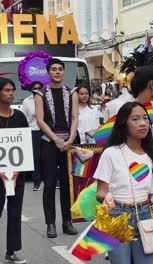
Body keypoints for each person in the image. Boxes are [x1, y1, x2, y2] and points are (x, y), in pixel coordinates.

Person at [95, 101, 153, 264]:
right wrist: (107, 198)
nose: (142, 123)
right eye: (135, 119)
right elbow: (101, 192)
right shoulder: (110, 154)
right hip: (118, 216)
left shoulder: (152, 154)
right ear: (123, 123)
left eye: (145, 119)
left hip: (145, 215)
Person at [33, 58, 79, 238]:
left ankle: (67, 222)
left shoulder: (72, 92)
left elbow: (75, 117)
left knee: (68, 184)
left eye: (60, 69)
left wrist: (70, 138)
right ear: (48, 72)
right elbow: (40, 120)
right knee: (50, 184)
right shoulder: (40, 94)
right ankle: (50, 224)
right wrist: (56, 139)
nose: (58, 72)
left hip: (69, 141)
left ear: (64, 72)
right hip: (48, 142)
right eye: (54, 69)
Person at [0, 77, 28, 264]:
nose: (11, 94)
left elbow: (24, 146)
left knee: (15, 212)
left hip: (17, 175)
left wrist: (18, 170)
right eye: (7, 90)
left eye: (13, 90)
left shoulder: (19, 117)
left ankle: (11, 252)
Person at [21, 81, 43, 191]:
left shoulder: (46, 99)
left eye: (39, 88)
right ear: (31, 89)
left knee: (49, 156)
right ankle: (36, 182)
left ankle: (55, 180)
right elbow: (24, 118)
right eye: (35, 88)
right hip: (33, 131)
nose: (37, 90)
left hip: (46, 131)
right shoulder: (26, 102)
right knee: (36, 157)